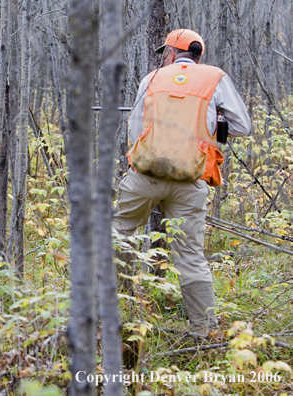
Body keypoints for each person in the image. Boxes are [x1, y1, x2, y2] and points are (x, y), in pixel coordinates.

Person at [112, 29, 252, 334]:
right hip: (191, 180)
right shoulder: (215, 79)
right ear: (199, 54)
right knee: (190, 255)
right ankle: (204, 330)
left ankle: (114, 308)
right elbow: (243, 125)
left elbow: (135, 129)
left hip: (145, 176)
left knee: (118, 235)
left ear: (172, 53)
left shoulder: (153, 78)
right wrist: (215, 120)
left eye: (166, 52)